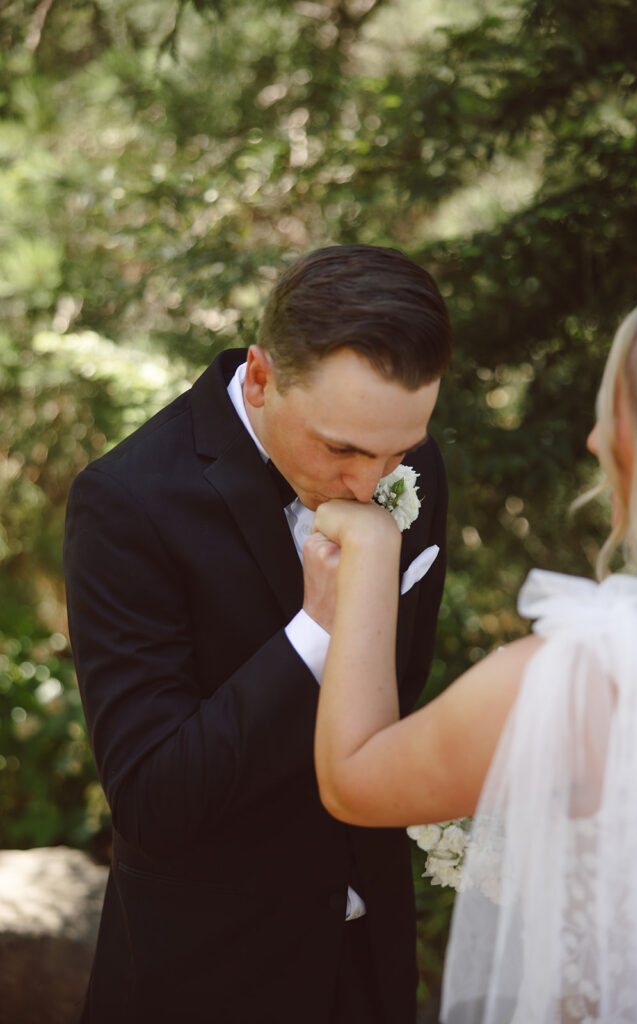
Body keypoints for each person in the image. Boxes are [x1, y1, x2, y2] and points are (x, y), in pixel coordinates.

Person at [62, 244, 452, 1024]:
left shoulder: (414, 472)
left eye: (397, 452)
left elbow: (392, 706)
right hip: (205, 979)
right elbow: (151, 799)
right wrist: (318, 629)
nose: (370, 486)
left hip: (369, 966)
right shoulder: (125, 503)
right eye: (340, 448)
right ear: (263, 376)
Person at [310, 288, 637, 1024]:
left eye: (611, 409)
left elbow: (353, 778)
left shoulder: (597, 679)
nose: (591, 441)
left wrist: (373, 551)